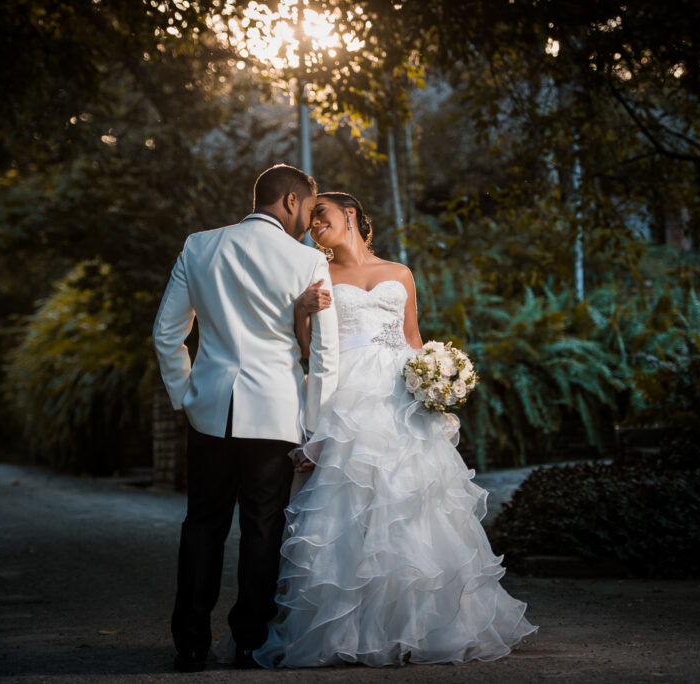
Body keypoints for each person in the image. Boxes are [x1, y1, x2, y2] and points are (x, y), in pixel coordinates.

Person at [252, 192, 537, 668]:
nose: (312, 227)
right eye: (308, 222)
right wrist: (302, 311)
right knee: (352, 505)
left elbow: (412, 338)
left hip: (401, 398)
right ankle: (352, 628)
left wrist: (438, 377)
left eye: (319, 217)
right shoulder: (316, 274)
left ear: (348, 216)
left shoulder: (399, 273)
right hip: (347, 398)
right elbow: (311, 349)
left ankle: (421, 626)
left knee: (413, 504)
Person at [152, 164, 339, 672]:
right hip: (275, 416)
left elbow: (167, 334)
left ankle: (190, 644)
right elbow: (324, 354)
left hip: (210, 412)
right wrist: (314, 425)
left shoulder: (199, 245)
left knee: (202, 526)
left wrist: (185, 398)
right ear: (293, 202)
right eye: (306, 210)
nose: (306, 222)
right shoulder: (306, 260)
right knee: (263, 529)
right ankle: (249, 644)